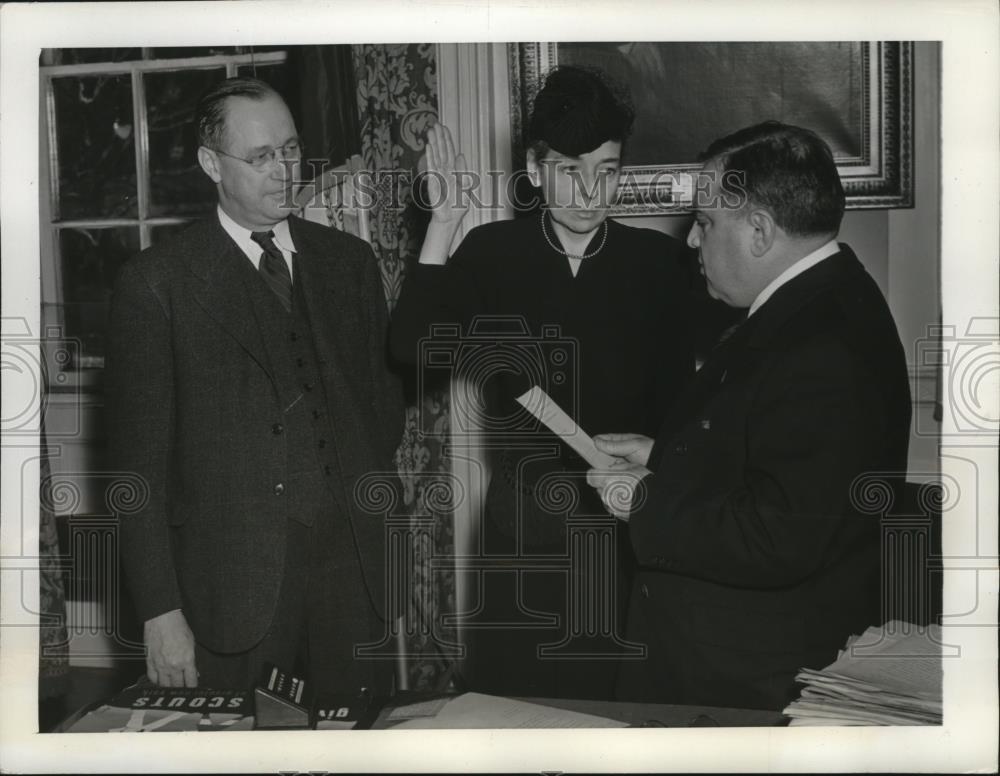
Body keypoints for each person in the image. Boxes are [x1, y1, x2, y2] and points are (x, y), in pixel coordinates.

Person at [390, 66, 696, 700]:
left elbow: (695, 409)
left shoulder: (664, 264)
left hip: (632, 535)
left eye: (606, 171)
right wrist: (442, 227)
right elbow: (411, 352)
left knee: (624, 720)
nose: (589, 192)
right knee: (520, 717)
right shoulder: (492, 252)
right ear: (534, 169)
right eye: (568, 169)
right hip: (523, 535)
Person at [586, 121, 912, 711]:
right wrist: (660, 456)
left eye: (705, 223)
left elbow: (779, 535)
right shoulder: (819, 303)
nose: (691, 241)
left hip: (746, 681)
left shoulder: (822, 344)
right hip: (736, 660)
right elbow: (775, 459)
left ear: (759, 231)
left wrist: (644, 500)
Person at [106, 77, 404, 694]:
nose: (284, 172)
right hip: (231, 588)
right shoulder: (156, 283)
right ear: (211, 164)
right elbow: (135, 474)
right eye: (261, 157)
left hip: (356, 578)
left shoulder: (349, 264)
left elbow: (383, 414)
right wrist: (160, 613)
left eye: (291, 150)